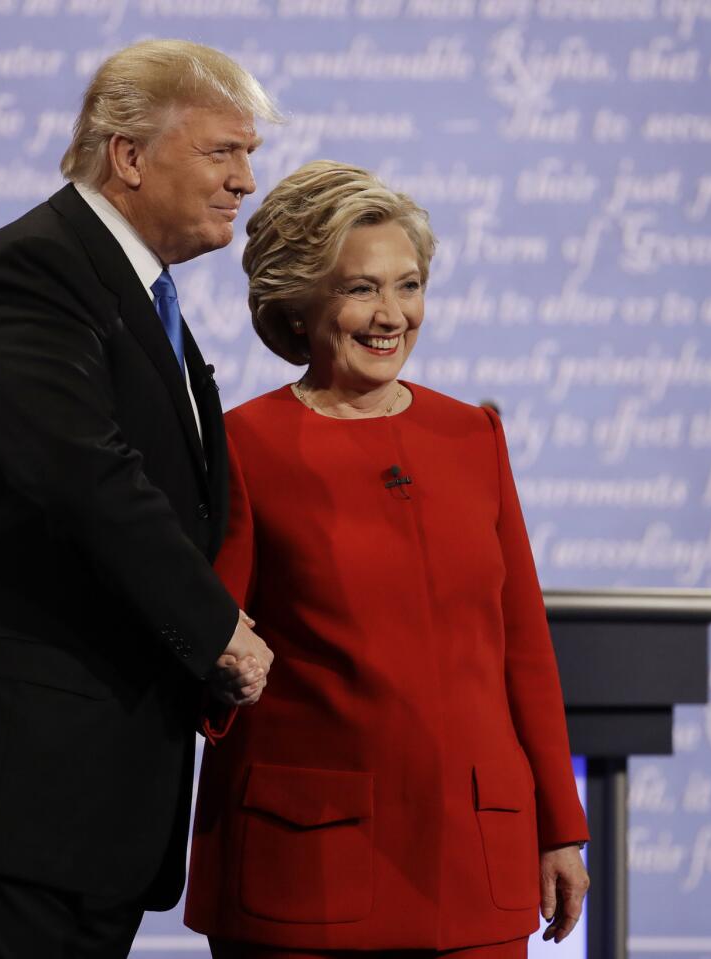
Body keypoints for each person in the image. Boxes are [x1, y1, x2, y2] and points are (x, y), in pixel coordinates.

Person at [0, 40, 281, 957]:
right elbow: (85, 477)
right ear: (128, 155)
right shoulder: (35, 272)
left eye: (250, 157)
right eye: (223, 152)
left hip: (71, 802)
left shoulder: (133, 292)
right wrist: (217, 626)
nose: (246, 182)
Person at [185, 161, 590, 958]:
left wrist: (558, 826)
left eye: (409, 286)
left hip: (477, 865)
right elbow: (213, 650)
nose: (391, 315)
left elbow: (523, 646)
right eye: (360, 289)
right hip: (308, 867)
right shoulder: (243, 445)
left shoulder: (473, 435)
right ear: (300, 304)